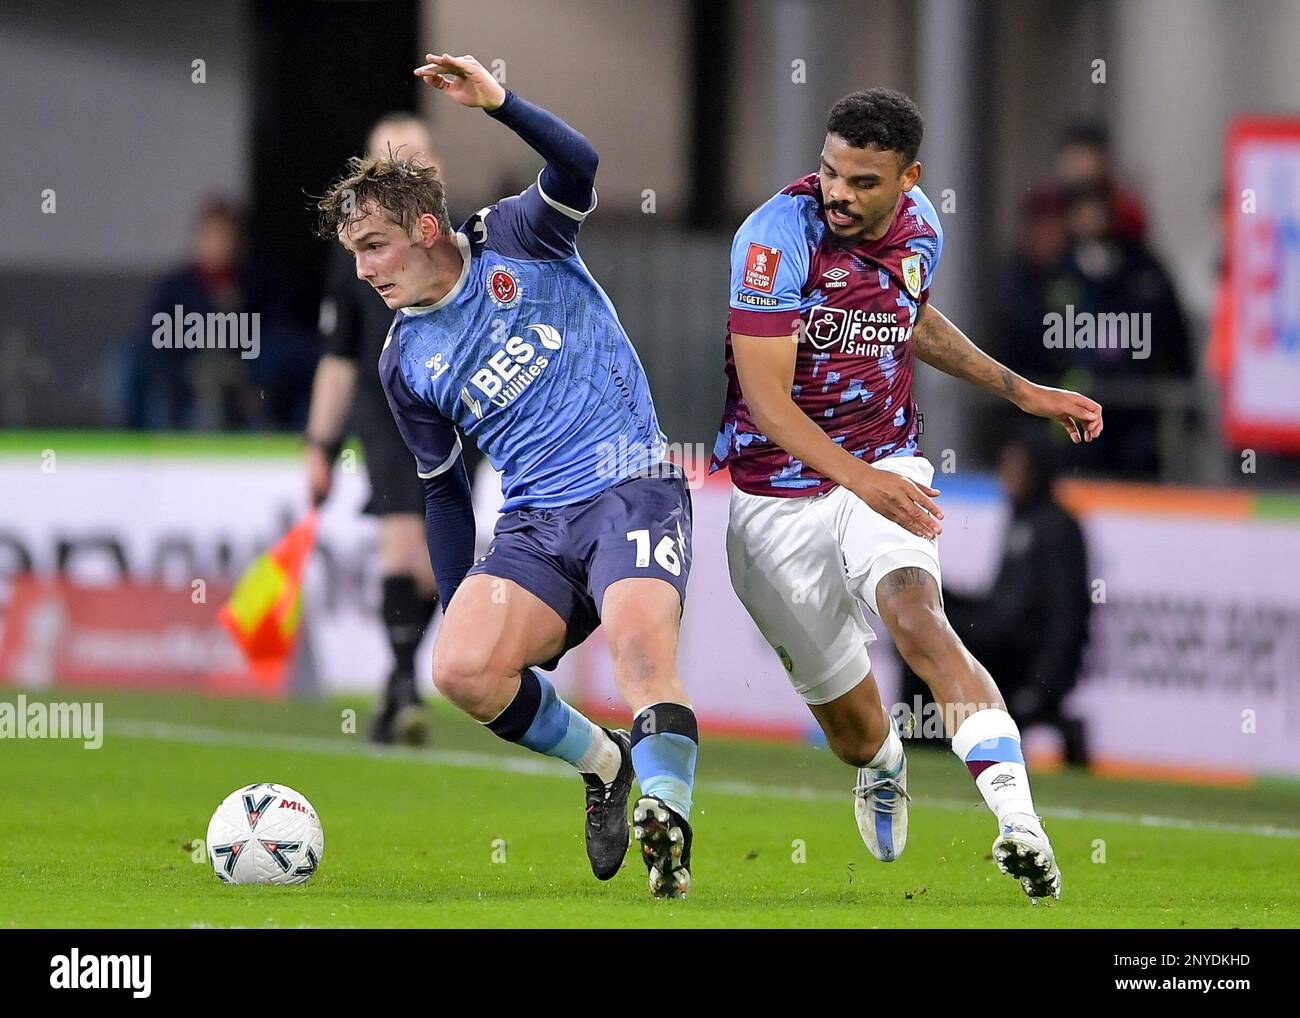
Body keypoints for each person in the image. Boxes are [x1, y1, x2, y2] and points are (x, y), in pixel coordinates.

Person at [316, 53, 699, 898]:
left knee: (641, 650)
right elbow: (444, 490)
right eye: (353, 255)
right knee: (459, 669)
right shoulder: (403, 360)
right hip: (535, 526)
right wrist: (463, 608)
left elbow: (581, 166)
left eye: (373, 246)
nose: (365, 271)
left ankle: (669, 820)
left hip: (628, 481)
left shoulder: (518, 236)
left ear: (422, 230)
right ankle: (607, 764)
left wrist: (497, 102)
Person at [714, 88, 1104, 902]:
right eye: (829, 174)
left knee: (920, 620)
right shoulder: (773, 241)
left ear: (907, 178)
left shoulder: (924, 224)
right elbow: (767, 402)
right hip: (775, 499)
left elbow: (909, 317)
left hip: (885, 464)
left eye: (862, 181)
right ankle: (885, 763)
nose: (838, 195)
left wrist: (1023, 391)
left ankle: (1019, 824)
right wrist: (862, 482)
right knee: (855, 734)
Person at [306, 113, 447, 746]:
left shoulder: (463, 242)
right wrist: (322, 445)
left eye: (412, 159)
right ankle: (406, 684)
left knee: (435, 565)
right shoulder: (355, 256)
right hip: (387, 411)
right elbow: (339, 356)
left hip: (454, 413)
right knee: (402, 545)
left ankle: (399, 683)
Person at [905, 431, 1092, 766]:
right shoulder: (1021, 519)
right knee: (917, 619)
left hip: (1019, 655)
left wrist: (1042, 685)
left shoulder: (1056, 528)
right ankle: (922, 745)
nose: (1007, 475)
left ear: (1036, 470)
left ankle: (925, 747)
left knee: (927, 639)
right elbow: (1000, 603)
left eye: (1016, 467)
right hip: (1000, 638)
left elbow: (1067, 618)